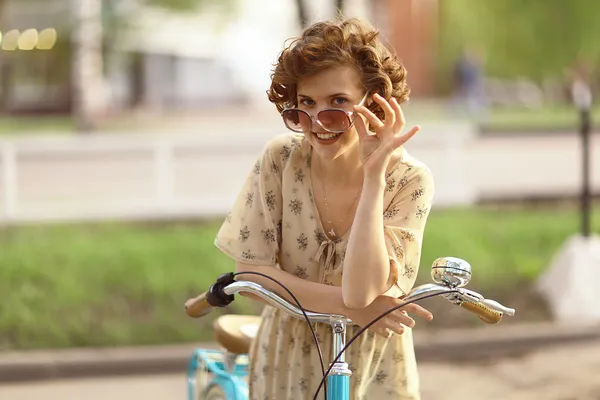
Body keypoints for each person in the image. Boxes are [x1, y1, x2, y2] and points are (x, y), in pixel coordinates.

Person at [214, 16, 435, 400]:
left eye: (338, 103)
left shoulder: (409, 181)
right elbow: (251, 274)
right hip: (285, 358)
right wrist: (352, 311)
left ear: (376, 102)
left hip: (371, 363)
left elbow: (363, 291)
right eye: (305, 104)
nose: (318, 122)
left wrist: (373, 177)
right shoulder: (281, 159)